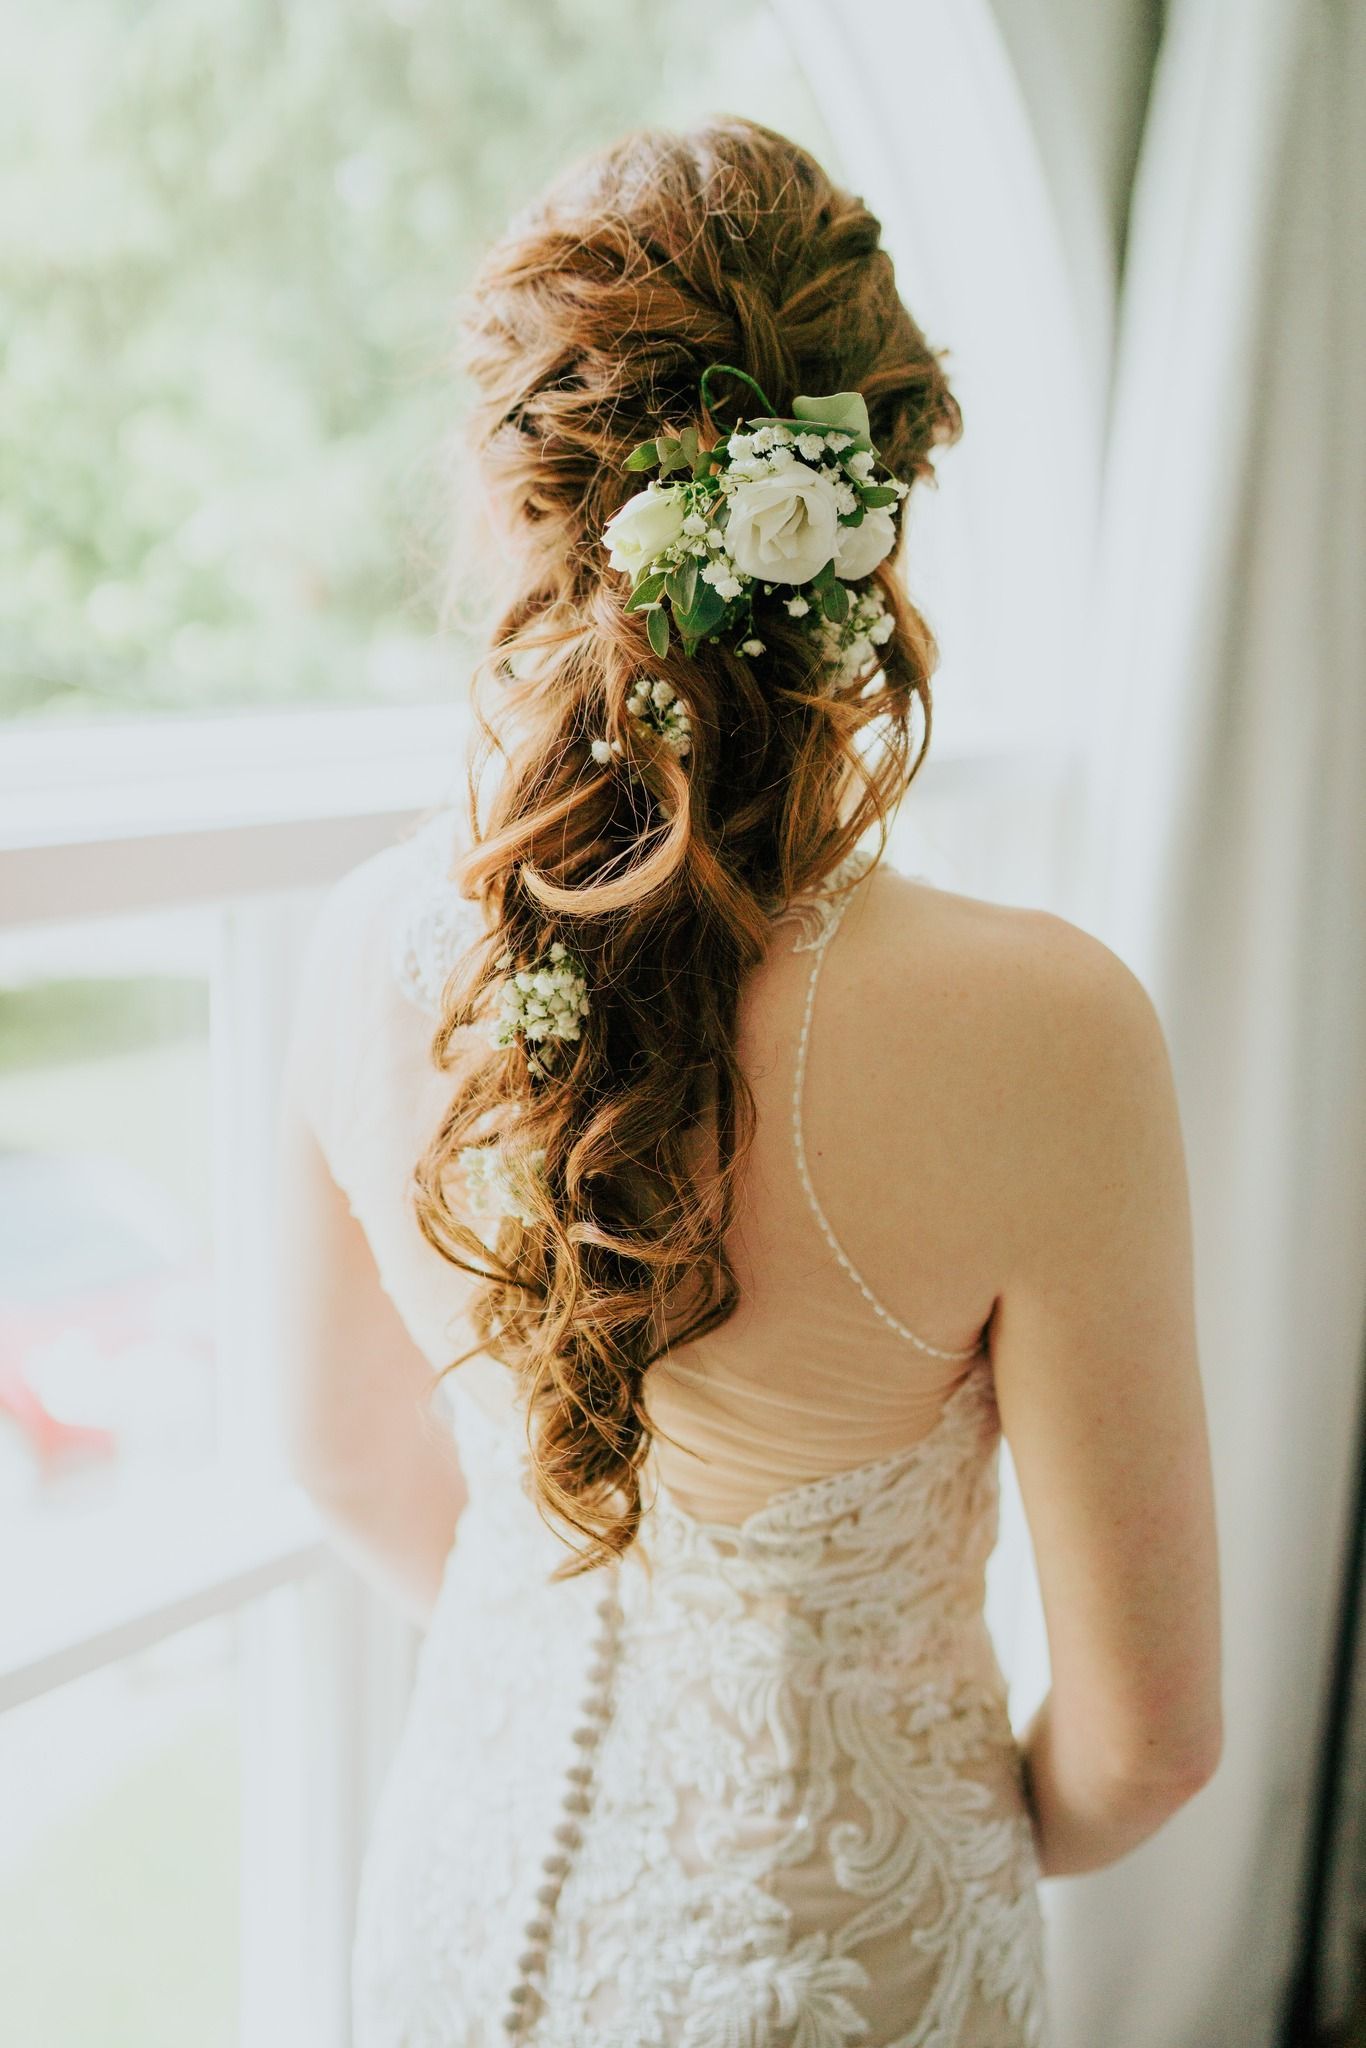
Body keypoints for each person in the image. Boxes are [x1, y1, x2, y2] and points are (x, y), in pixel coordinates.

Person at [277, 116, 1222, 2048]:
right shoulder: (1044, 1028)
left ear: (511, 495)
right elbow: (1149, 1741)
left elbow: (349, 1465)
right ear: (873, 502)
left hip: (452, 1905)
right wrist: (922, 1823)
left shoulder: (361, 947)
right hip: (832, 1971)